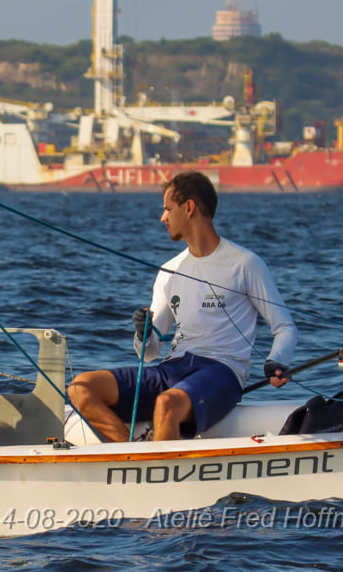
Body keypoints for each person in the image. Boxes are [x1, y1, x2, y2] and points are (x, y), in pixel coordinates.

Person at [68, 171, 297, 442]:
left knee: (166, 405)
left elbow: (285, 327)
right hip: (172, 369)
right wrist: (143, 333)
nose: (162, 218)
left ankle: (149, 472)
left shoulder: (245, 264)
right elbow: (150, 352)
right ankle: (135, 461)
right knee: (80, 388)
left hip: (221, 372)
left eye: (167, 209)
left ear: (189, 208)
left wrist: (276, 361)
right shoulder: (170, 271)